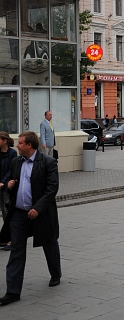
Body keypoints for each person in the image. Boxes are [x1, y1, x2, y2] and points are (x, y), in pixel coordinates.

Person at [0, 131, 61, 306]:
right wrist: (10, 185)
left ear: (29, 145)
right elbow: (13, 181)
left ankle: (55, 274)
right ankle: (12, 292)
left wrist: (37, 208)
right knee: (16, 251)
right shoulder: (16, 162)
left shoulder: (48, 162)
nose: (17, 145)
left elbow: (52, 189)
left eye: (20, 143)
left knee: (49, 243)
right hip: (19, 213)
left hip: (40, 213)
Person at [0, 132, 17, 251]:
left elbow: (12, 170)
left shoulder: (12, 154)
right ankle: (3, 238)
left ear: (4, 141)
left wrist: (3, 181)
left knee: (7, 213)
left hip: (6, 187)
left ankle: (12, 239)